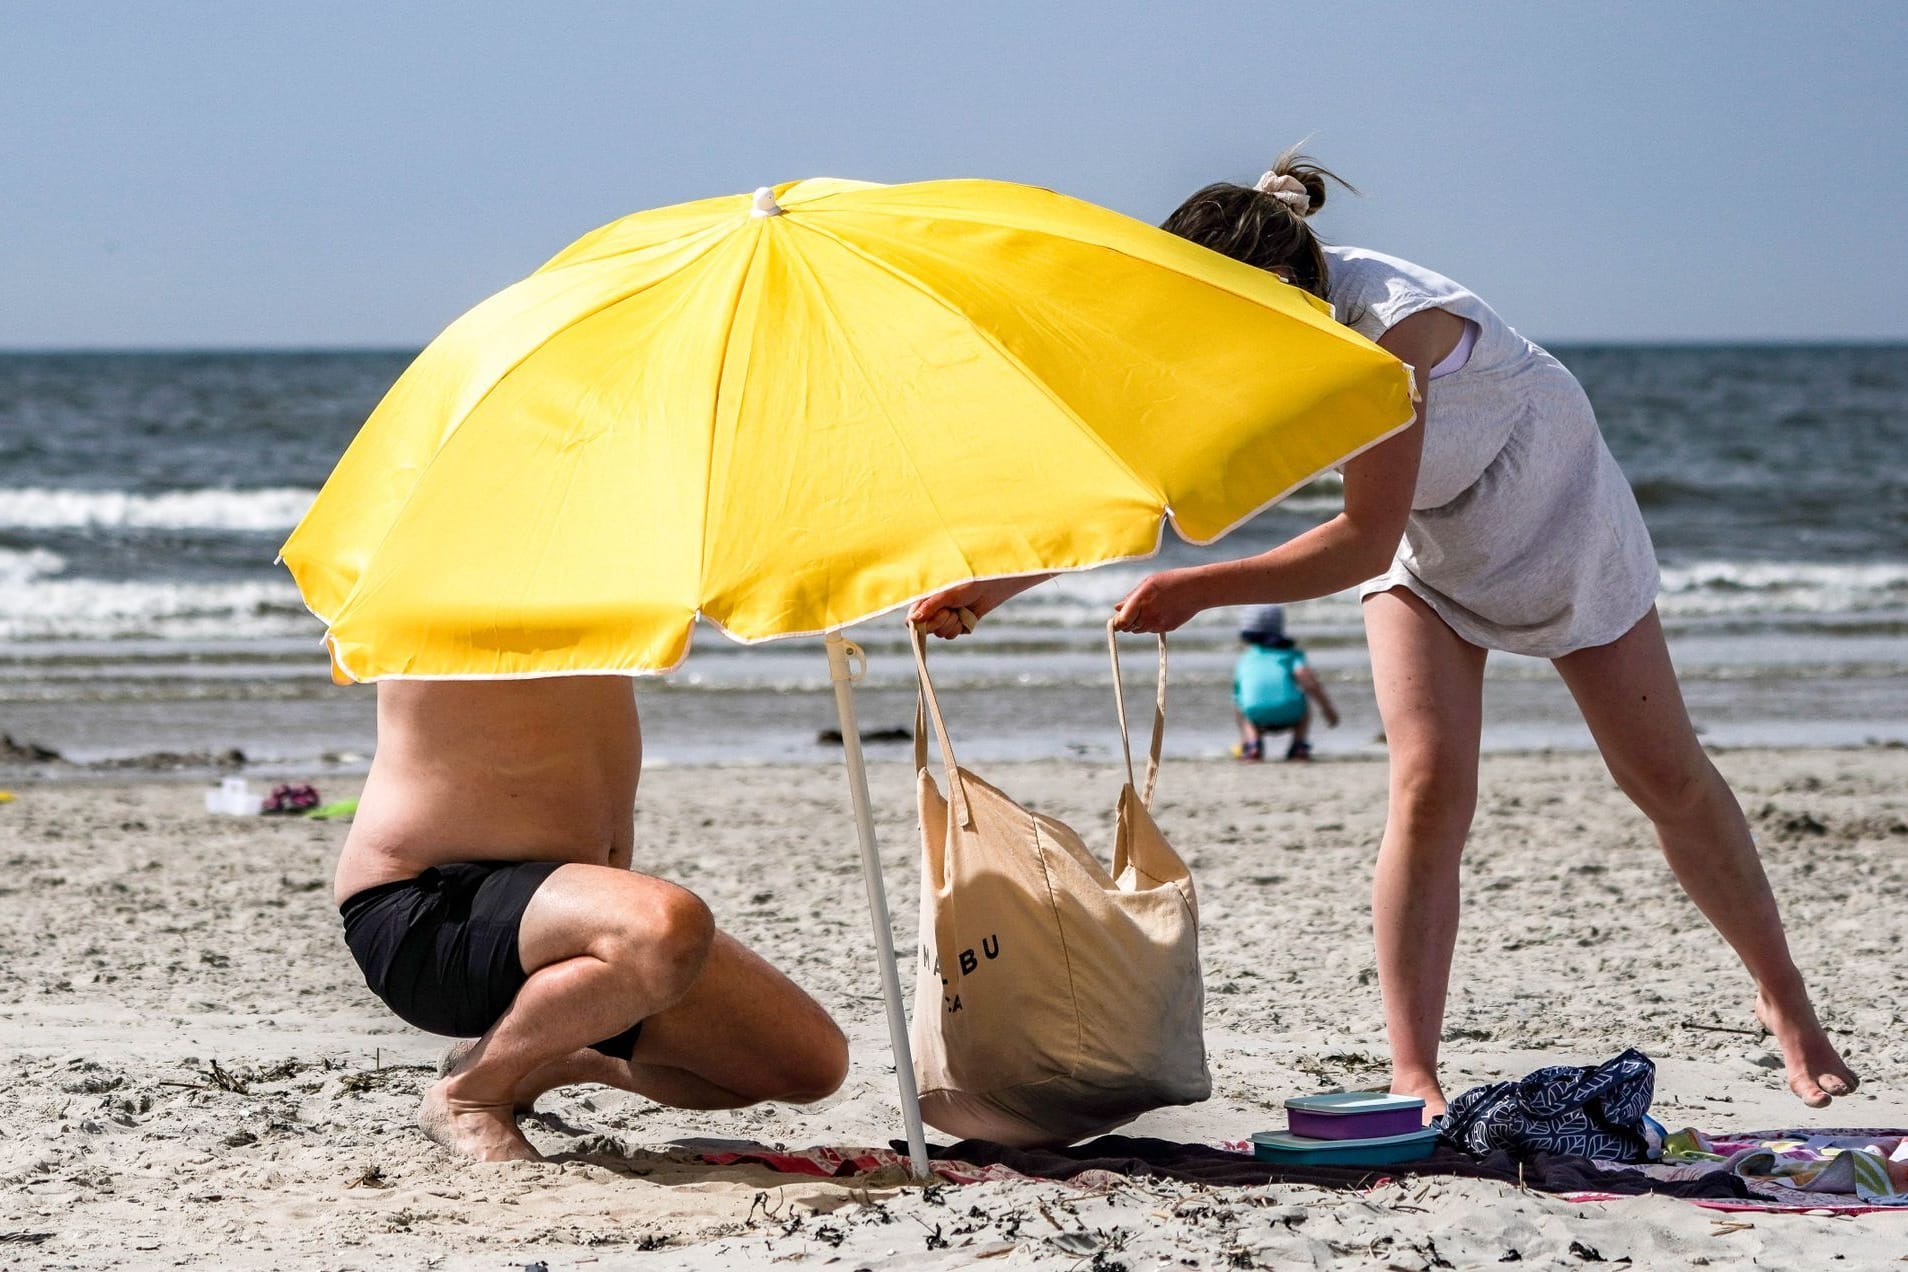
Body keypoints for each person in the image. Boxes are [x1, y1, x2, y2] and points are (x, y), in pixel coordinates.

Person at [910, 149, 1858, 1114]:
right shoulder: (1226, 335)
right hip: (1429, 539)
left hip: (1552, 506)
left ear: (1283, 300)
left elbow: (1359, 540)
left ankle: (1787, 1006)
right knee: (1429, 782)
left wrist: (1200, 590)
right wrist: (995, 585)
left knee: (1663, 775)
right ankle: (1416, 1072)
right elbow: (1141, 480)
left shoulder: (1389, 331)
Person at [334, 676, 848, 1161]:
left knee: (809, 1066)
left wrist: (922, 592)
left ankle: (550, 1051)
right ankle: (472, 1093)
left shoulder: (609, 590)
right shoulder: (442, 585)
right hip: (433, 910)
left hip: (564, 913)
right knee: (665, 925)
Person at [1232, 604, 1340, 761]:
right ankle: (1299, 744)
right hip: (1291, 712)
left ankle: (1252, 743)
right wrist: (1328, 710)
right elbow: (1309, 683)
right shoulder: (1291, 654)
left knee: (1242, 704)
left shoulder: (1246, 658)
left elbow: (1237, 695)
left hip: (1255, 713)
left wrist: (1242, 734)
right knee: (1303, 702)